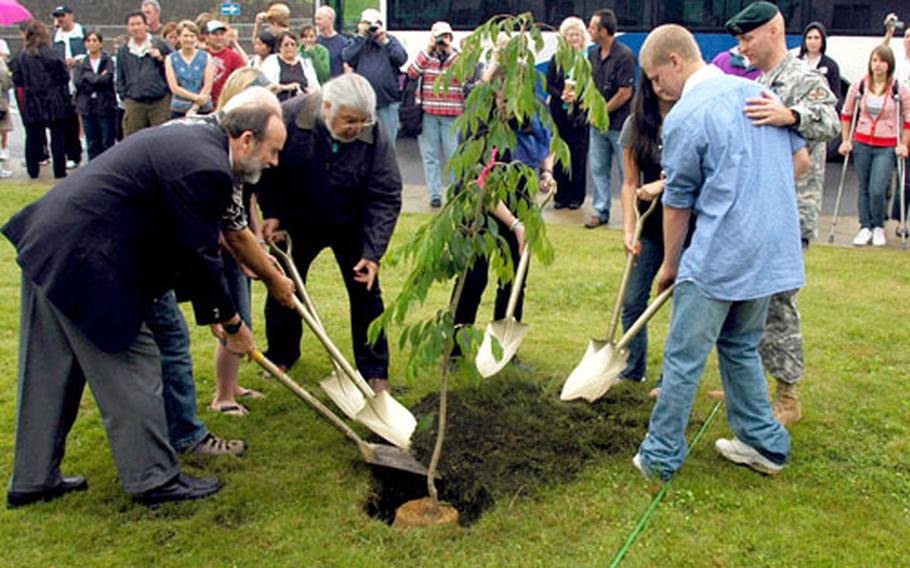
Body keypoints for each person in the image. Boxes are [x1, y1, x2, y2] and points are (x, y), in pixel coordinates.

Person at [2, 96, 293, 509]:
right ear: (247, 139)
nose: (275, 162)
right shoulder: (208, 167)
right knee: (134, 365)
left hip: (50, 242)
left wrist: (225, 306)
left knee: (50, 373)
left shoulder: (197, 133)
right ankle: (154, 480)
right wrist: (230, 323)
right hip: (88, 259)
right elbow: (199, 253)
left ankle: (33, 479)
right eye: (273, 151)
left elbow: (186, 239)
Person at [632, 24, 810, 481]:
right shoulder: (756, 93)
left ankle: (659, 456)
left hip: (720, 255)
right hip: (769, 251)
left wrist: (671, 266)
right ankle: (766, 445)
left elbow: (677, 204)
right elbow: (800, 160)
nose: (657, 91)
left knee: (683, 357)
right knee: (739, 345)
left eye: (655, 79)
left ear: (675, 61)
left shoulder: (687, 114)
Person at [726, 1, 840, 426]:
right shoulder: (762, 79)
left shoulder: (802, 78)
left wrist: (790, 115)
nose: (742, 47)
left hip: (793, 209)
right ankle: (750, 381)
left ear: (774, 30)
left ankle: (788, 395)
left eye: (747, 38)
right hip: (763, 207)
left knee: (779, 303)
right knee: (752, 299)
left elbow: (832, 123)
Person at [255, 73, 402, 395]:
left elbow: (386, 192)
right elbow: (267, 169)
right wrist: (273, 212)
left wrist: (372, 252)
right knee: (284, 287)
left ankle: (375, 370)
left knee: (366, 293)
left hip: (351, 221)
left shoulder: (373, 133)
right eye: (350, 120)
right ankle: (282, 354)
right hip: (298, 219)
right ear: (328, 106)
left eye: (363, 122)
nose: (356, 128)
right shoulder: (290, 117)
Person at [450, 57, 555, 364]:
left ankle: (503, 349)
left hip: (519, 198)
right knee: (474, 275)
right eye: (504, 99)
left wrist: (546, 173)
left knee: (514, 276)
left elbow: (546, 144)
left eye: (516, 99)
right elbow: (479, 182)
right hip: (479, 204)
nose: (509, 106)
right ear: (494, 91)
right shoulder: (478, 121)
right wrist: (514, 224)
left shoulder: (535, 110)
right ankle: (456, 346)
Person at [617, 72, 679, 392]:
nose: (661, 86)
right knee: (632, 300)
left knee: (681, 307)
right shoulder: (635, 125)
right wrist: (629, 229)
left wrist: (664, 184)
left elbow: (703, 172)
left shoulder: (691, 118)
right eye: (653, 80)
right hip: (650, 226)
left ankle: (672, 379)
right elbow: (629, 183)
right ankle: (632, 368)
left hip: (688, 228)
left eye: (663, 78)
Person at [839, 45, 910, 246]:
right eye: (874, 61)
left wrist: (904, 144)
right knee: (864, 187)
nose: (877, 65)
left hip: (887, 145)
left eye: (882, 61)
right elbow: (847, 112)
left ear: (889, 64)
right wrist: (846, 140)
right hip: (862, 142)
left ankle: (878, 225)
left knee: (877, 188)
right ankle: (865, 226)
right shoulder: (860, 85)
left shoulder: (898, 89)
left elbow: (908, 117)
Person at [585, 8, 636, 229]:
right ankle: (600, 210)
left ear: (604, 31)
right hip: (597, 125)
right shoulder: (593, 54)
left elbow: (626, 92)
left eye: (592, 27)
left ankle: (630, 215)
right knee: (598, 168)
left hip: (619, 124)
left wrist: (601, 111)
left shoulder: (624, 55)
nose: (589, 30)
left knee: (627, 172)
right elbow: (589, 85)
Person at [407, 21, 465, 208]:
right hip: (428, 113)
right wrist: (429, 48)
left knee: (453, 155)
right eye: (440, 37)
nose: (443, 41)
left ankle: (456, 192)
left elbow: (467, 75)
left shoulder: (457, 57)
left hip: (452, 113)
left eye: (446, 37)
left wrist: (449, 52)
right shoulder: (426, 57)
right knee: (430, 156)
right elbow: (412, 73)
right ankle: (434, 194)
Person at [12, 20, 71, 179]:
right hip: (52, 97)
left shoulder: (21, 56)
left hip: (31, 98)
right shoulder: (53, 53)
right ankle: (59, 170)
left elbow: (17, 79)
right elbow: (64, 76)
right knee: (57, 136)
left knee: (32, 136)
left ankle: (33, 170)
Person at [343, 9, 408, 142]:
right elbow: (347, 57)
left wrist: (384, 40)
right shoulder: (358, 42)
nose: (372, 28)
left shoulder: (389, 40)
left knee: (388, 143)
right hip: (365, 103)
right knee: (364, 143)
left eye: (376, 23)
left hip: (388, 101)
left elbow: (401, 58)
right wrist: (360, 36)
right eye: (368, 23)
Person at [546, 16, 590, 210]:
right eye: (570, 35)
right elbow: (549, 84)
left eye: (577, 35)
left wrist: (578, 98)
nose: (574, 39)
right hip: (559, 112)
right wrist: (560, 95)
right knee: (560, 155)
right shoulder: (556, 59)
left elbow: (592, 87)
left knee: (579, 156)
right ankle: (560, 195)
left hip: (580, 114)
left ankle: (576, 197)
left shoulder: (589, 59)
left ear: (583, 37)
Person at [116, 11, 172, 136]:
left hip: (159, 102)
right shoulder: (123, 51)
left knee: (161, 139)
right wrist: (124, 95)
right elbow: (120, 76)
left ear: (146, 26)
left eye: (138, 24)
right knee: (132, 140)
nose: (135, 28)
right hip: (134, 102)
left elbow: (173, 67)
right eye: (132, 25)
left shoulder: (159, 44)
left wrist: (161, 58)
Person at [884, 18, 910, 237]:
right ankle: (880, 216)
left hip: (908, 125)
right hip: (891, 123)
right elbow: (881, 55)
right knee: (884, 173)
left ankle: (903, 221)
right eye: (908, 36)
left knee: (906, 178)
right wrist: (890, 34)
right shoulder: (897, 62)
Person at [73, 30, 117, 160]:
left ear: (100, 43)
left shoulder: (107, 60)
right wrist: (96, 78)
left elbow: (107, 80)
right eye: (88, 41)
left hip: (105, 104)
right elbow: (79, 82)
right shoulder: (81, 62)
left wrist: (89, 77)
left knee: (107, 140)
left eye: (95, 40)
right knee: (92, 141)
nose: (91, 43)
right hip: (87, 105)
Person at [51, 5, 84, 170]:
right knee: (66, 121)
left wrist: (77, 59)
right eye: (58, 16)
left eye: (62, 15)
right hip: (62, 86)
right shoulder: (55, 37)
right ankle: (70, 153)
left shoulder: (82, 33)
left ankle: (77, 152)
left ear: (71, 16)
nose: (60, 19)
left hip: (81, 82)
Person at [165, 20, 214, 118]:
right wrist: (195, 97)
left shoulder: (206, 57)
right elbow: (174, 87)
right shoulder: (170, 59)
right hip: (179, 109)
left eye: (192, 36)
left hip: (203, 109)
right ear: (179, 37)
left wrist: (195, 107)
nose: (189, 39)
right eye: (186, 36)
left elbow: (208, 85)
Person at [261, 32, 320, 102]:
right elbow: (267, 87)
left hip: (303, 103)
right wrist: (288, 87)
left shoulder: (305, 63)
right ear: (280, 47)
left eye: (293, 44)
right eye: (286, 45)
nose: (290, 47)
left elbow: (316, 87)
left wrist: (307, 91)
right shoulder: (271, 62)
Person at [797, 22, 842, 107]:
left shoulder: (831, 65)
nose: (812, 41)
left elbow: (835, 95)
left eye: (816, 38)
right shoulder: (795, 63)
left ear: (822, 41)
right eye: (809, 38)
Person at [204, 20, 247, 108]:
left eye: (221, 34)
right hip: (204, 103)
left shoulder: (234, 56)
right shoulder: (201, 55)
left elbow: (241, 79)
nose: (219, 37)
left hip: (225, 104)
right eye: (215, 34)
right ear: (207, 37)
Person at [315, 5, 349, 79]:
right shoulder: (315, 42)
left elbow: (347, 68)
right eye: (316, 19)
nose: (316, 22)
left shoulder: (343, 43)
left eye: (319, 19)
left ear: (330, 19)